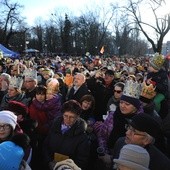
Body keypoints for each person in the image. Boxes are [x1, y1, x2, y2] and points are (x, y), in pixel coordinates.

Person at [93, 80, 143, 169]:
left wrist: (112, 159)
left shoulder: (140, 122)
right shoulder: (113, 115)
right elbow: (102, 135)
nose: (122, 106)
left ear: (135, 107)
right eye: (121, 102)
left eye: (127, 104)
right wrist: (105, 153)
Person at [43, 100, 90, 170]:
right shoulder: (55, 126)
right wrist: (49, 161)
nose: (68, 119)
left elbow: (82, 159)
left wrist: (65, 167)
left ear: (77, 117)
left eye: (72, 117)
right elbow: (45, 146)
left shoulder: (82, 137)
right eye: (65, 116)